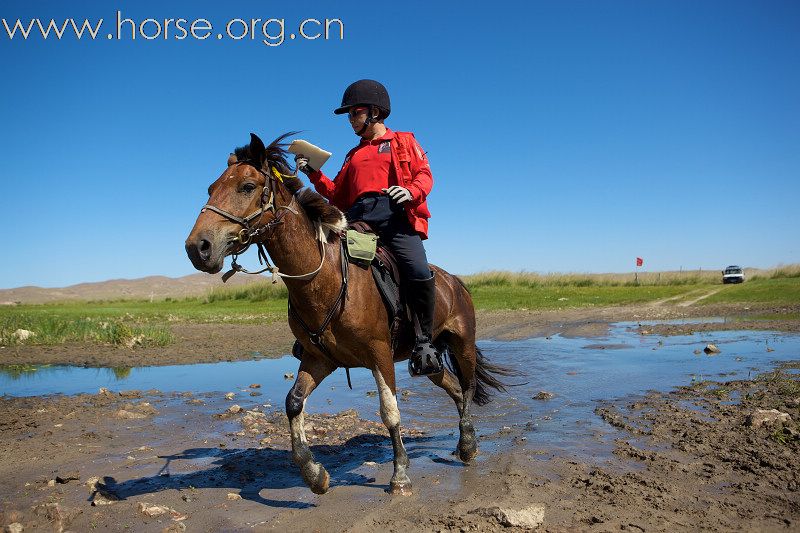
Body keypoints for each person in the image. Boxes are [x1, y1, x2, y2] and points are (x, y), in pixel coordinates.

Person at [295, 79, 442, 377]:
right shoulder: (353, 155)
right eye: (349, 115)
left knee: (418, 269)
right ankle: (311, 334)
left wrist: (412, 191)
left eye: (354, 113)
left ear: (374, 112)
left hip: (395, 216)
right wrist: (313, 172)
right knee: (324, 259)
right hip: (358, 217)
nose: (350, 120)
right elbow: (336, 194)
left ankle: (424, 343)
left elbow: (424, 174)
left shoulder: (403, 141)